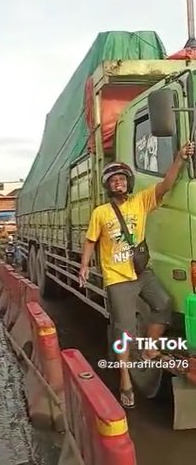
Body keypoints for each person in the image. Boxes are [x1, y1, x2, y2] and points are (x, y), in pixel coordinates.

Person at [79, 141, 195, 409]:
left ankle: (151, 347)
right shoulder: (100, 213)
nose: (118, 184)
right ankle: (125, 379)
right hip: (118, 279)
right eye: (114, 181)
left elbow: (166, 184)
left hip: (142, 272)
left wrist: (179, 158)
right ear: (108, 187)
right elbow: (90, 241)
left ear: (128, 183)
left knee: (163, 305)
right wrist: (84, 266)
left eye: (122, 180)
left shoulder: (142, 201)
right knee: (125, 331)